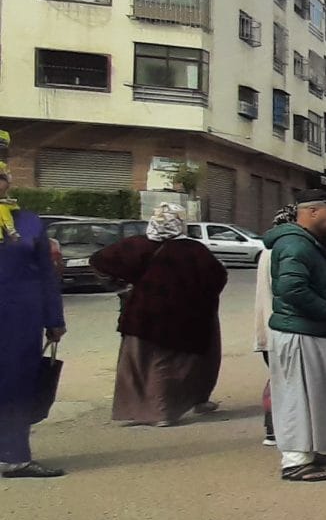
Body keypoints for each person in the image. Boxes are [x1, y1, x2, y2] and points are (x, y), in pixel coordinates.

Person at [91, 202, 227, 427]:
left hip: (141, 316)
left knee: (138, 363)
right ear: (180, 223)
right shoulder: (194, 250)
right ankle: (164, 412)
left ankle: (134, 410)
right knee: (171, 364)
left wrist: (122, 287)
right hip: (186, 320)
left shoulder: (135, 246)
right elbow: (217, 278)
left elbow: (99, 261)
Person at [264, 188, 326, 483]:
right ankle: (296, 460)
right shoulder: (295, 245)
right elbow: (292, 289)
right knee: (297, 396)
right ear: (312, 211)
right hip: (299, 331)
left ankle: (316, 450)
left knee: (319, 395)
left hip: (313, 331)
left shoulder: (313, 243)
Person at [0, 163, 67, 478]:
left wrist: (54, 318)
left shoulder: (29, 223)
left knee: (17, 388)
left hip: (21, 321)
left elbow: (46, 276)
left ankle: (15, 457)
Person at [254, 205, 295, 446]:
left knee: (278, 379)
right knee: (287, 382)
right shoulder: (286, 250)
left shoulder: (268, 250)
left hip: (271, 328)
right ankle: (279, 432)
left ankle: (272, 429)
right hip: (285, 327)